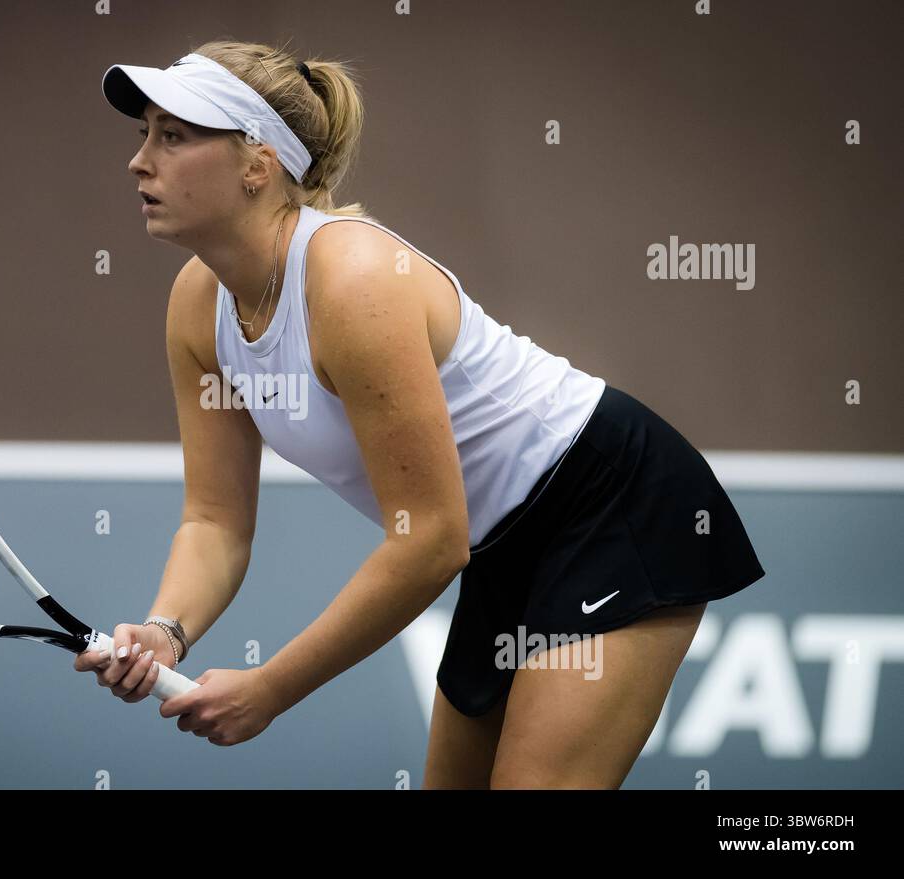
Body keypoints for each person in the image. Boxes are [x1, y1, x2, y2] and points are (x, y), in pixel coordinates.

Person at [74, 40, 766, 788]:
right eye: (144, 135)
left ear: (257, 163)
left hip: (613, 506)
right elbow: (215, 521)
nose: (139, 161)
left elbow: (432, 540)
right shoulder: (195, 305)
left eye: (173, 136)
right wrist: (167, 630)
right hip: (501, 544)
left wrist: (270, 687)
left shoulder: (353, 281)